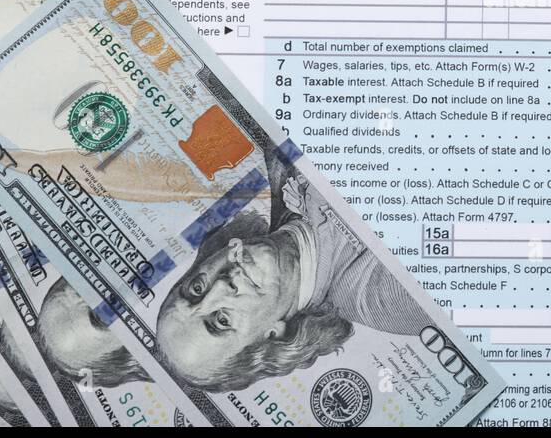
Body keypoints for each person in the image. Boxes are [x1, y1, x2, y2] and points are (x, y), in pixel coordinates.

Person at [155, 158, 431, 393]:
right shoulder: (385, 297)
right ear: (272, 336)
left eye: (196, 288)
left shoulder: (278, 163)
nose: (219, 287)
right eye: (221, 320)